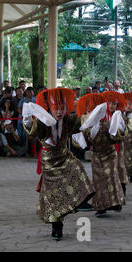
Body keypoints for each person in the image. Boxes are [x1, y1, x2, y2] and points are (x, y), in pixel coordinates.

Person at [22, 88, 95, 241]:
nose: (60, 111)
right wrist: (27, 117)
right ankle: (57, 227)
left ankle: (82, 200)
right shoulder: (43, 122)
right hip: (49, 161)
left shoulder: (68, 120)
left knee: (77, 166)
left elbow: (82, 121)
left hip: (64, 155)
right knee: (54, 195)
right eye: (56, 108)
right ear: (49, 108)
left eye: (62, 108)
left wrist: (93, 115)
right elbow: (31, 129)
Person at [77, 92, 126, 218]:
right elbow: (82, 141)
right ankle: (100, 207)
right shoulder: (85, 121)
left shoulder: (108, 120)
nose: (92, 109)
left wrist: (118, 126)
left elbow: (116, 137)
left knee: (111, 177)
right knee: (98, 181)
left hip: (110, 153)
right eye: (90, 107)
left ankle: (115, 202)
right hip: (97, 155)